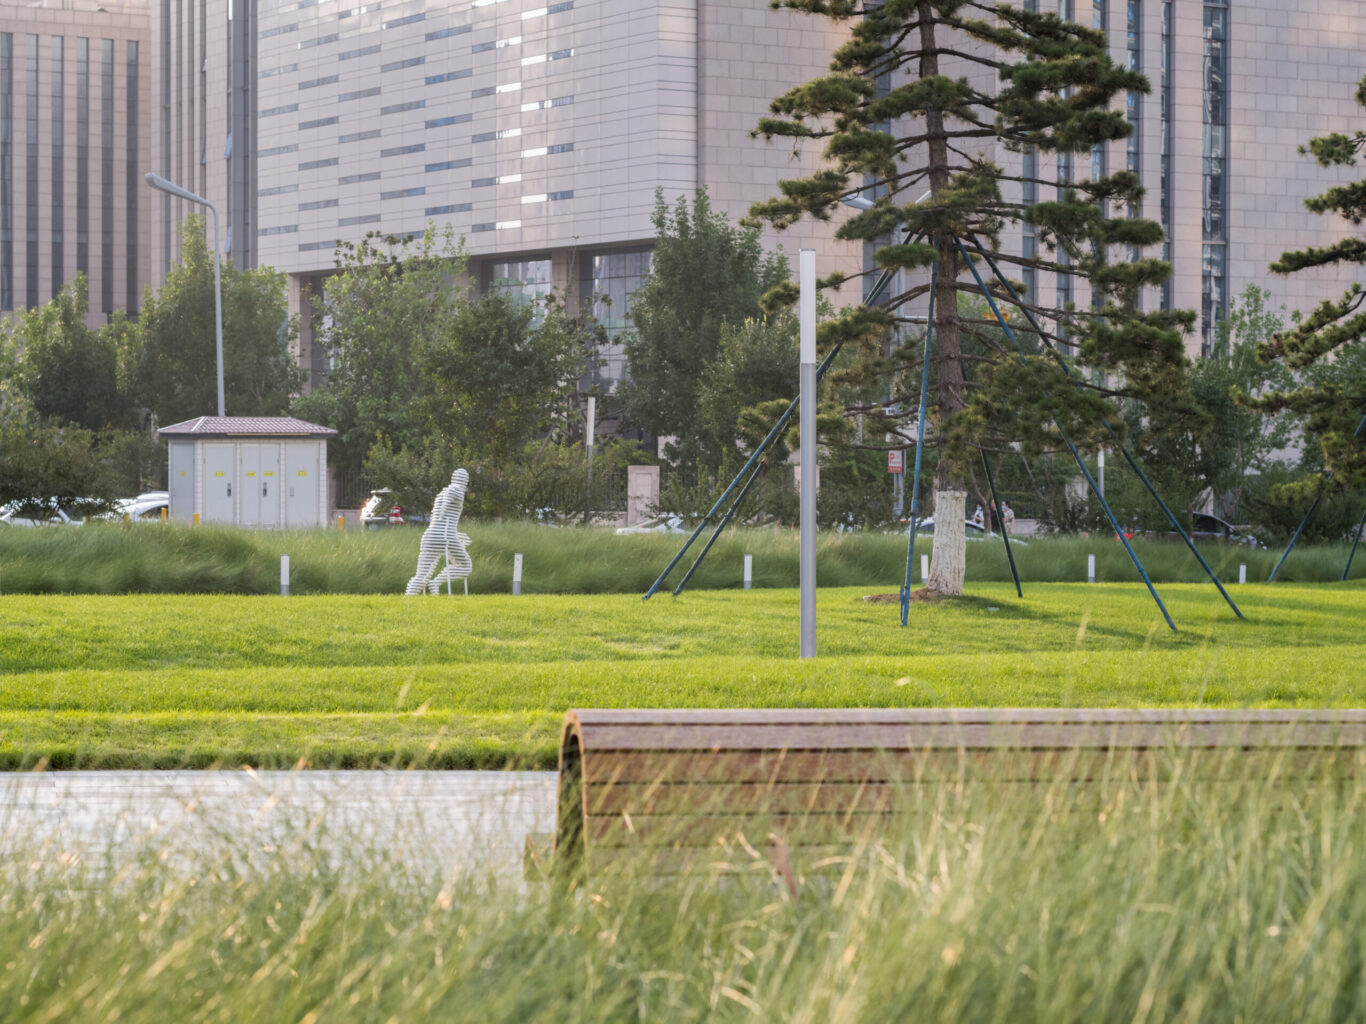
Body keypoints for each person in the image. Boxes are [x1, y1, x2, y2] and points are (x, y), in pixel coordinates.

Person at [405, 469, 473, 595]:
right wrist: (444, 508)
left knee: (422, 577)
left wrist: (457, 534)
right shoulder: (457, 490)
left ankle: (407, 599)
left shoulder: (442, 492)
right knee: (466, 566)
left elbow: (442, 519)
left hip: (431, 536)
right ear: (464, 480)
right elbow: (450, 497)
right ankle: (436, 582)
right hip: (445, 536)